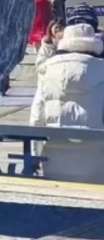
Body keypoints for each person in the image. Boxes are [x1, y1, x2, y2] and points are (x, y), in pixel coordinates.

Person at [29, 22, 104, 182]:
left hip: (54, 163)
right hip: (97, 163)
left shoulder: (47, 70)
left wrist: (35, 156)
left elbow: (36, 119)